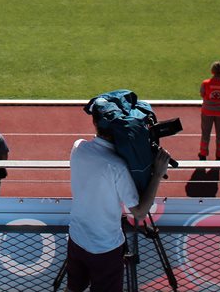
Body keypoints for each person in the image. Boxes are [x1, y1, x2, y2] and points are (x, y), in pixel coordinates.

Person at [67, 99, 171, 292]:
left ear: (95, 123)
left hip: (77, 237)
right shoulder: (117, 167)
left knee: (73, 288)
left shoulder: (78, 147)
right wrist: (156, 173)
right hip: (105, 247)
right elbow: (140, 213)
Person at [199, 61, 220, 161]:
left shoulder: (206, 83)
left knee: (205, 133)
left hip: (207, 111)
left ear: (212, 71)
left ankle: (203, 153)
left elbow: (202, 94)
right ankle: (219, 155)